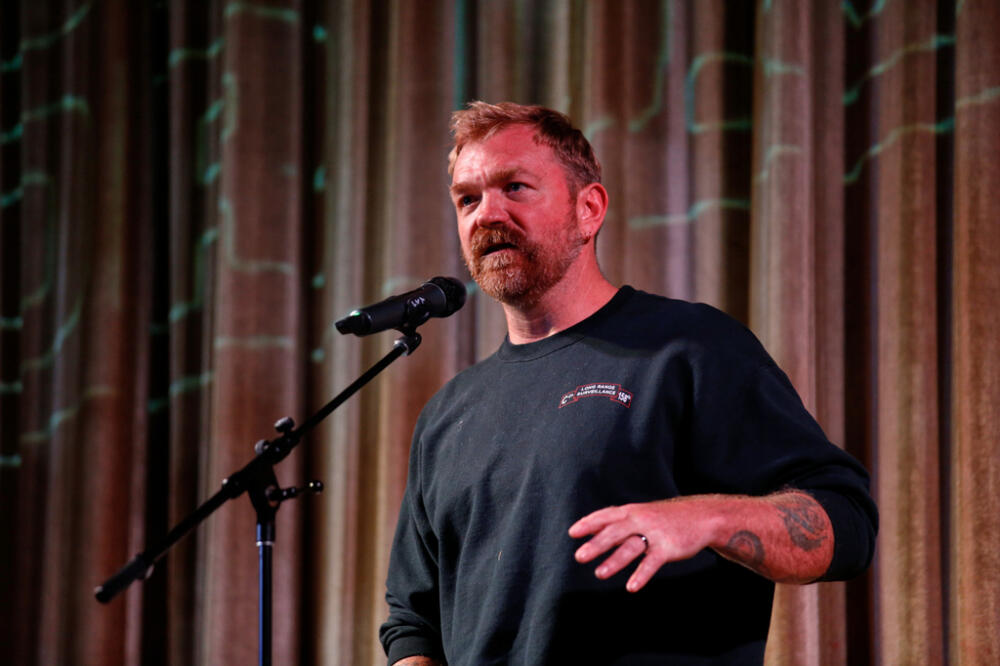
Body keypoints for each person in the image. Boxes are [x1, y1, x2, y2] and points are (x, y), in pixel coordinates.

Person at [379, 101, 877, 665]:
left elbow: (846, 523)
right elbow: (412, 621)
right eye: (468, 198)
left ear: (588, 209)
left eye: (515, 187)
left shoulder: (688, 348)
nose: (487, 214)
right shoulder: (449, 414)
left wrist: (704, 517)